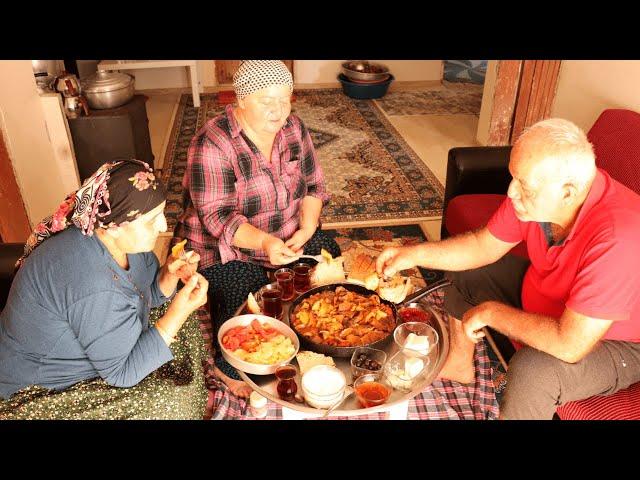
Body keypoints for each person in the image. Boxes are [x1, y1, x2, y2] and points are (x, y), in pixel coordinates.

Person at [376, 118, 640, 419]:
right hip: (551, 296)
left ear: (568, 193)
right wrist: (412, 254)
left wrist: (491, 312)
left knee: (533, 371)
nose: (512, 192)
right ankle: (461, 363)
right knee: (468, 269)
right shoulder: (538, 202)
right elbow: (481, 247)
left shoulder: (620, 237)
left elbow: (569, 345)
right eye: (514, 177)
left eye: (524, 185)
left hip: (614, 342)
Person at [174, 60, 340, 397]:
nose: (278, 112)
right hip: (227, 249)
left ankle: (298, 324)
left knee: (330, 269)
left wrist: (306, 231)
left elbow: (313, 187)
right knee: (244, 311)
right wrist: (265, 244)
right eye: (267, 102)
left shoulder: (294, 129)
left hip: (289, 236)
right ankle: (226, 369)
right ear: (240, 100)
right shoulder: (212, 143)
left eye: (285, 100)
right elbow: (219, 217)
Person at [0, 159, 210, 419]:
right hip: (40, 389)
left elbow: (143, 295)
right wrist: (175, 315)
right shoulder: (90, 282)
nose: (163, 228)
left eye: (162, 215)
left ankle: (200, 384)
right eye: (150, 221)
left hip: (95, 336)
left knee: (180, 317)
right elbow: (122, 373)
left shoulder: (127, 246)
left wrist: (168, 276)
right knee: (170, 403)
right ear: (113, 228)